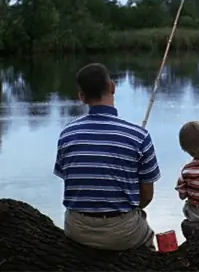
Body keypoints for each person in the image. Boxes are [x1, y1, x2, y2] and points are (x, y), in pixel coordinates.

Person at [53, 63, 161, 251]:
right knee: (148, 239)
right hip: (122, 232)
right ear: (112, 87)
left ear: (82, 97)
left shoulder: (66, 135)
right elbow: (147, 196)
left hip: (76, 229)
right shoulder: (138, 136)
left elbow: (71, 181)